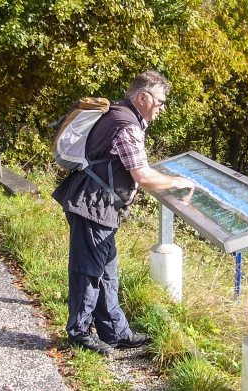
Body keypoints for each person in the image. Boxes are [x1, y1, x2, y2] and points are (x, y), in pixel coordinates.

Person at [52, 70, 194, 355]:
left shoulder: (118, 113)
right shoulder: (126, 125)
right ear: (143, 97)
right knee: (88, 271)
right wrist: (178, 182)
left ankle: (114, 332)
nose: (162, 107)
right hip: (93, 203)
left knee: (106, 271)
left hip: (96, 201)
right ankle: (79, 334)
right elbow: (142, 175)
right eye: (160, 101)